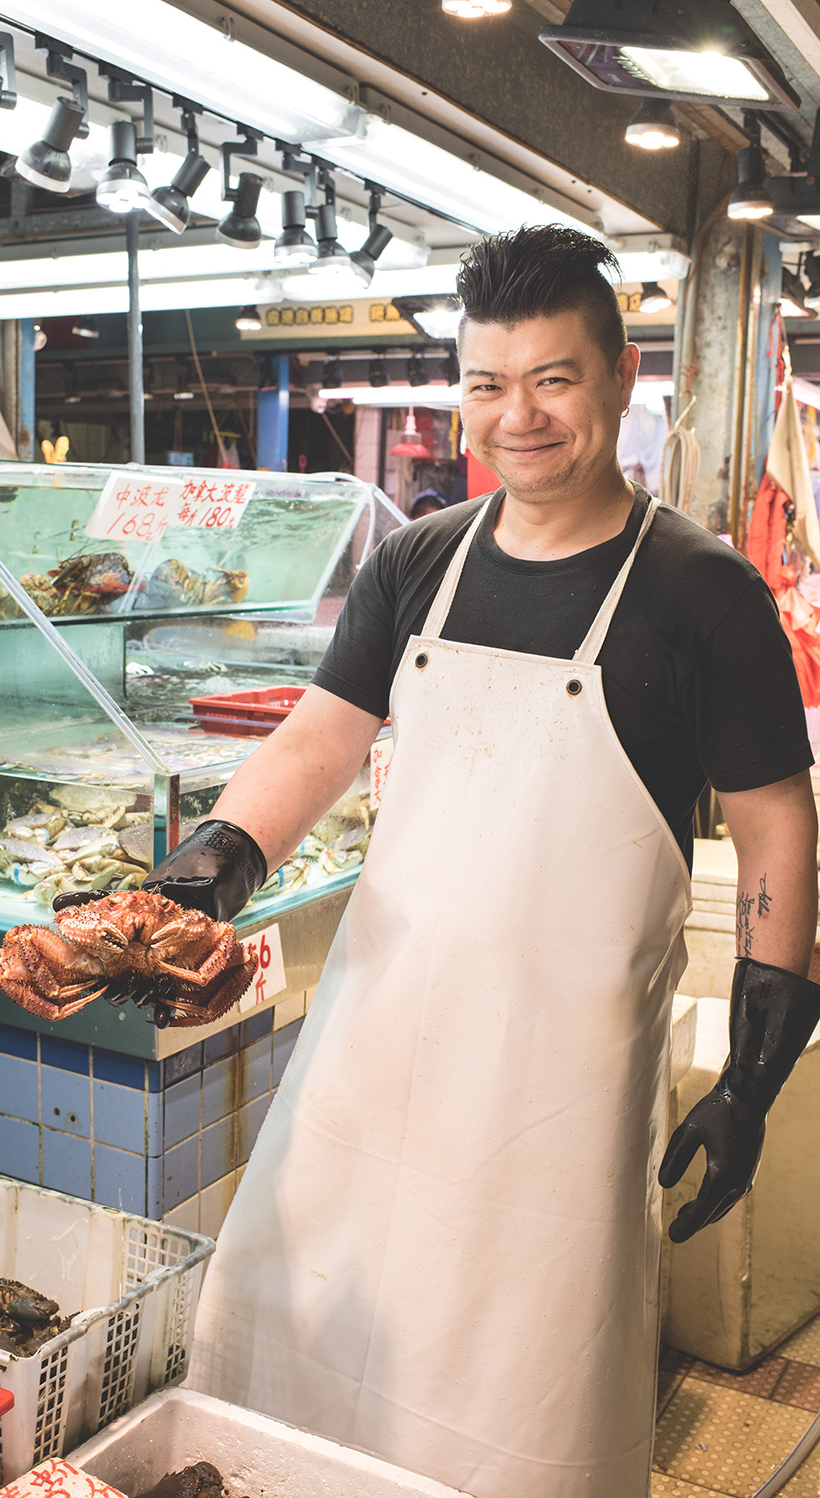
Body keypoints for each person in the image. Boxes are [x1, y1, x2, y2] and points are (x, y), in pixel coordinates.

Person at [66, 226, 820, 1498]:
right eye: (485, 382)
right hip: (372, 1051)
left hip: (557, 1097)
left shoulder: (704, 593)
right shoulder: (421, 557)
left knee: (523, 1409)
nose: (515, 415)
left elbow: (776, 828)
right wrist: (206, 869)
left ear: (618, 375)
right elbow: (315, 743)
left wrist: (757, 1066)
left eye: (552, 379)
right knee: (289, 1367)